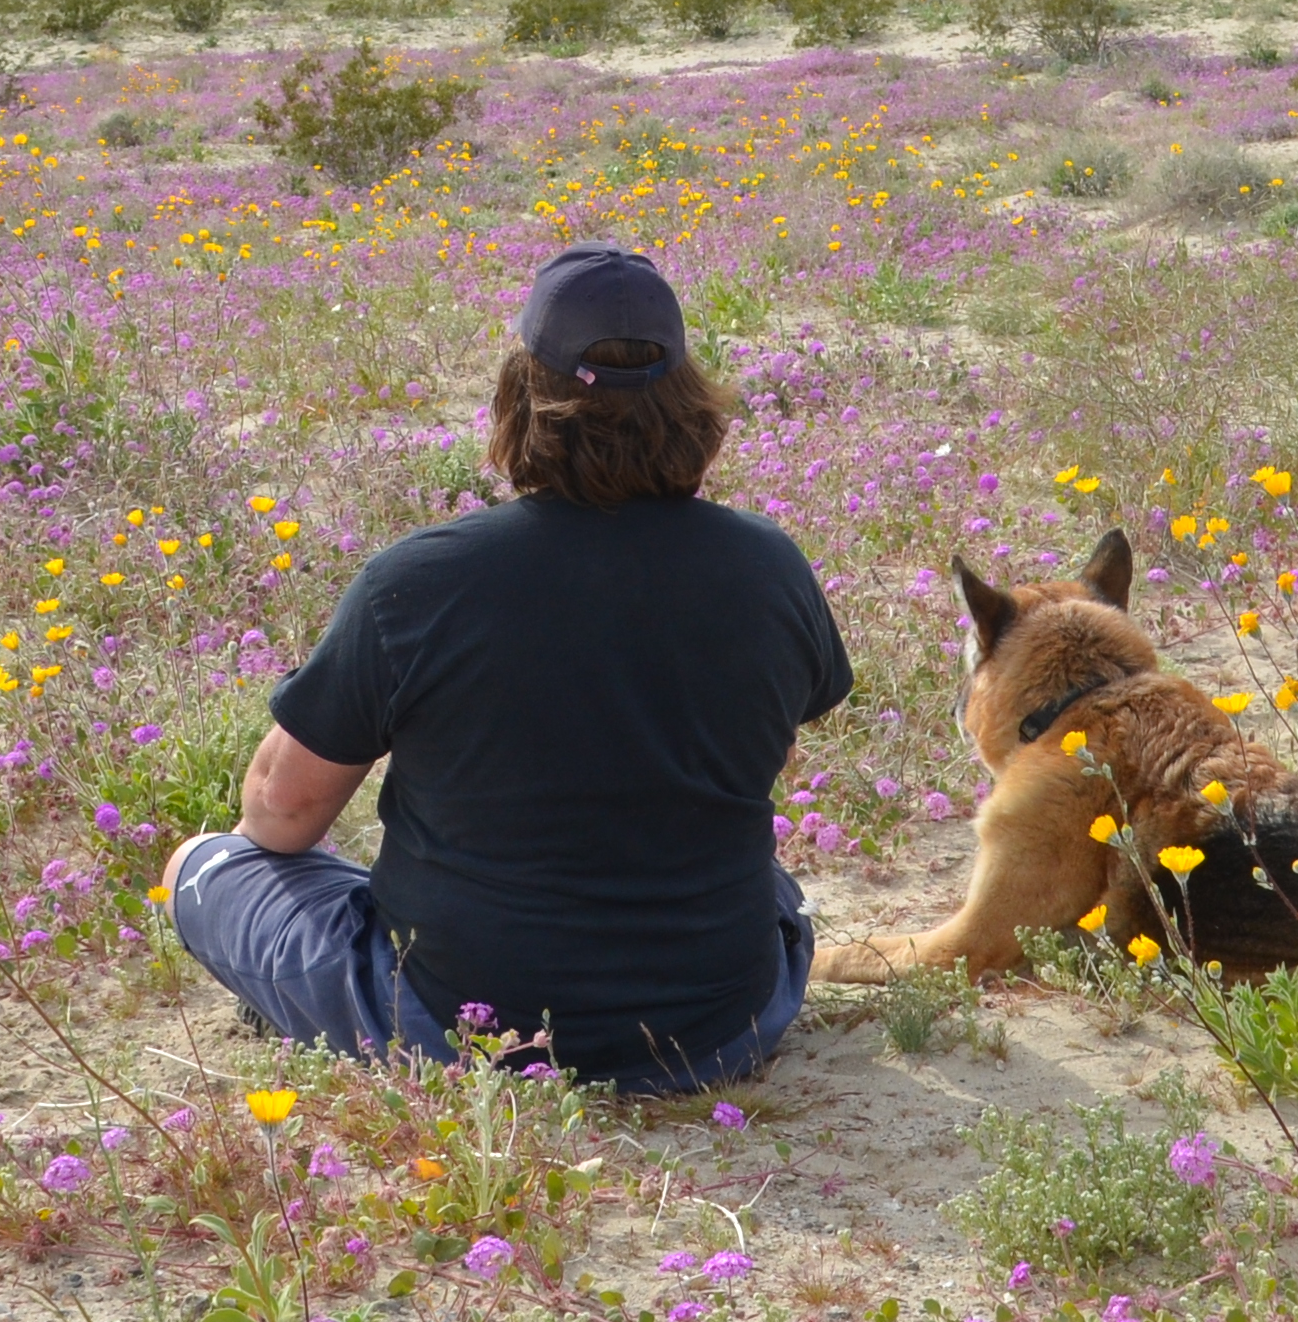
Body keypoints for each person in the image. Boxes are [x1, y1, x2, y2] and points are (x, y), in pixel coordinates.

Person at [161, 245, 845, 1092]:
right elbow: (764, 756)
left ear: (522, 398)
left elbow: (281, 817)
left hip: (469, 1024)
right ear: (691, 403)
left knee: (202, 864)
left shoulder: (418, 581)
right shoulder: (768, 564)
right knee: (763, 879)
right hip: (721, 1020)